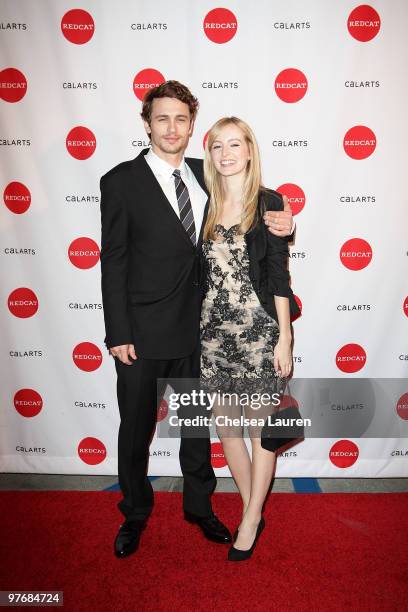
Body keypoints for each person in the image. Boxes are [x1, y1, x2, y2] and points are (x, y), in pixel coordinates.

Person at [99, 81, 294, 558]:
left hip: (200, 332)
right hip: (142, 333)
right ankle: (135, 513)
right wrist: (119, 332)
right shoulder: (120, 181)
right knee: (136, 425)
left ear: (191, 129)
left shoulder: (206, 175)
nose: (172, 128)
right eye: (162, 118)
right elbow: (114, 261)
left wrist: (287, 223)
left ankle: (200, 508)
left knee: (195, 428)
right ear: (147, 123)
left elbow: (253, 211)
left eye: (181, 120)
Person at [200, 116, 300, 561]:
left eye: (235, 144)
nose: (226, 153)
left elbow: (279, 274)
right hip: (212, 335)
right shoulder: (202, 200)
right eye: (218, 145)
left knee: (262, 431)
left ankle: (251, 517)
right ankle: (251, 508)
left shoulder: (269, 203)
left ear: (249, 150)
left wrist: (285, 338)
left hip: (260, 333)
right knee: (227, 430)